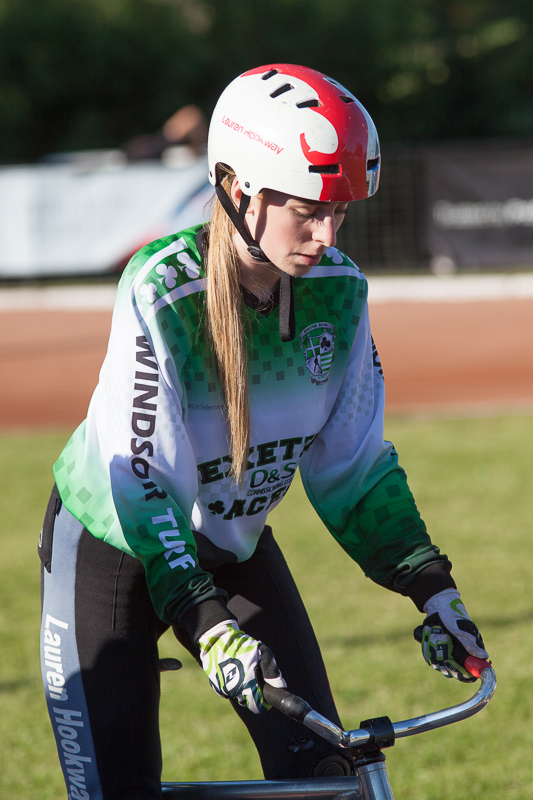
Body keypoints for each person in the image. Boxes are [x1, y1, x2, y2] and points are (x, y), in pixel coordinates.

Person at [39, 64, 489, 799]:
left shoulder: (339, 292)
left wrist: (431, 588)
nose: (326, 235)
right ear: (236, 187)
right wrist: (205, 622)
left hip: (229, 543)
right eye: (307, 210)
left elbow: (355, 470)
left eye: (339, 212)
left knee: (326, 776)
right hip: (114, 550)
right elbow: (143, 481)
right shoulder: (163, 290)